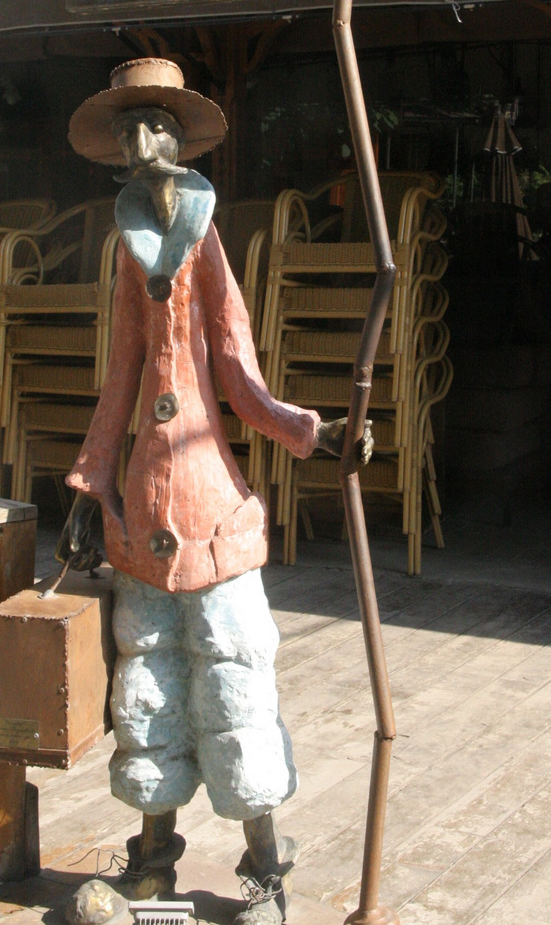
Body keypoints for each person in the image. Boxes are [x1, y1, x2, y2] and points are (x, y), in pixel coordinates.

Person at [57, 59, 371, 925]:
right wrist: (90, 487)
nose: (138, 141)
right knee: (149, 691)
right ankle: (152, 859)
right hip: (144, 512)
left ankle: (266, 868)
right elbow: (120, 374)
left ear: (178, 139)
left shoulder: (206, 238)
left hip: (213, 513)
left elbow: (237, 371)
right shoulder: (127, 250)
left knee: (236, 692)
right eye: (127, 130)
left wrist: (310, 432)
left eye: (153, 125)